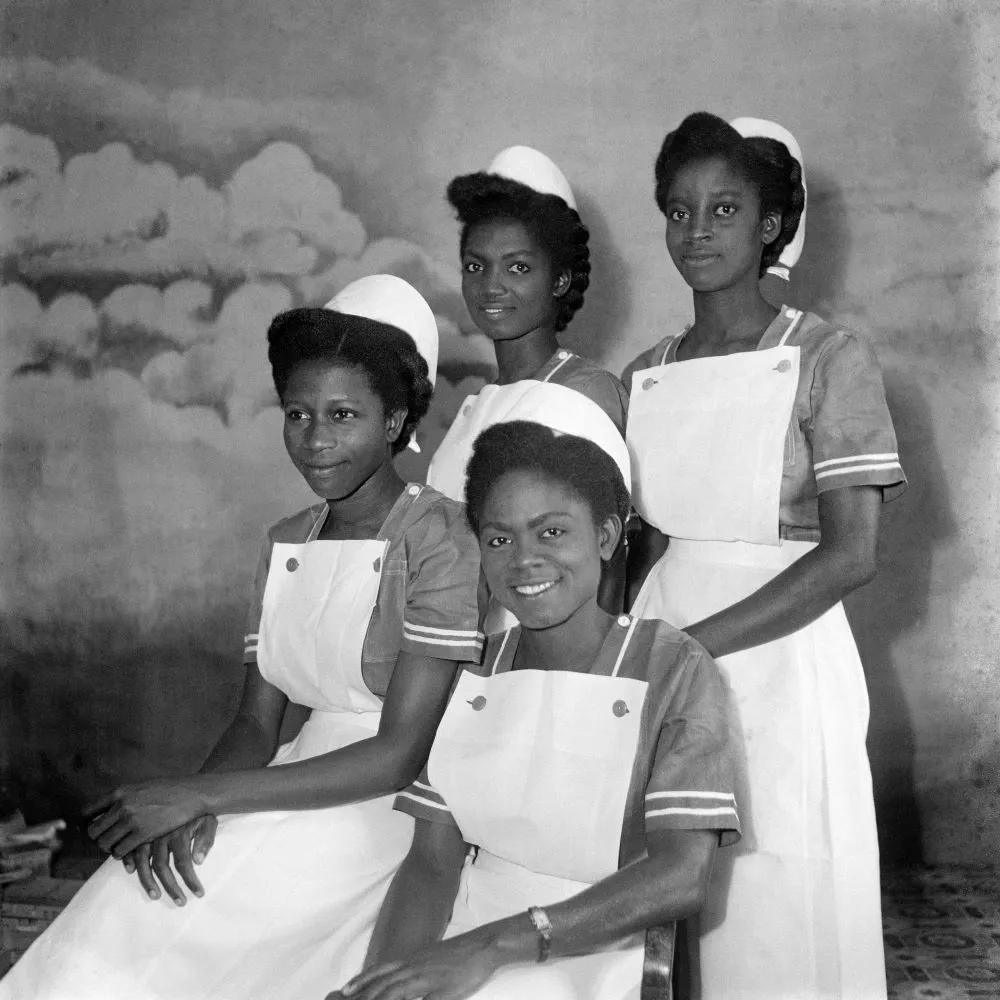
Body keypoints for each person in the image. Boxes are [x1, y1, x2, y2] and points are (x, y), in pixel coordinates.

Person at [1, 275, 484, 1000]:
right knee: (125, 903)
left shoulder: (440, 538)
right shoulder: (286, 541)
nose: (315, 440)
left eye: (343, 415)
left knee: (193, 930)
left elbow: (398, 753)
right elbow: (256, 721)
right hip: (282, 780)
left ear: (393, 422)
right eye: (298, 414)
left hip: (387, 810)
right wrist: (199, 801)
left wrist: (204, 798)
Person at [623, 112, 906, 999]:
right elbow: (646, 542)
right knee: (662, 887)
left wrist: (694, 646)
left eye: (723, 209)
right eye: (678, 210)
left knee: (776, 892)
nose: (696, 231)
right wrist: (634, 657)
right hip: (666, 637)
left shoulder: (828, 356)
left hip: (785, 647)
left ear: (771, 226)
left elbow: (851, 554)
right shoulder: (647, 373)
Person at [330, 420, 740, 1000]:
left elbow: (681, 876)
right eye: (499, 540)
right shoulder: (474, 671)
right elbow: (431, 865)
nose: (524, 559)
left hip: (595, 945)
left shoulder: (674, 667)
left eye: (551, 532)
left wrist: (496, 947)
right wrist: (379, 983)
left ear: (604, 536)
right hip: (463, 931)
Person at [426, 144, 628, 503]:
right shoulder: (476, 404)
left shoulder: (585, 393)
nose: (491, 286)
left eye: (517, 267)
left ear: (560, 280)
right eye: (476, 266)